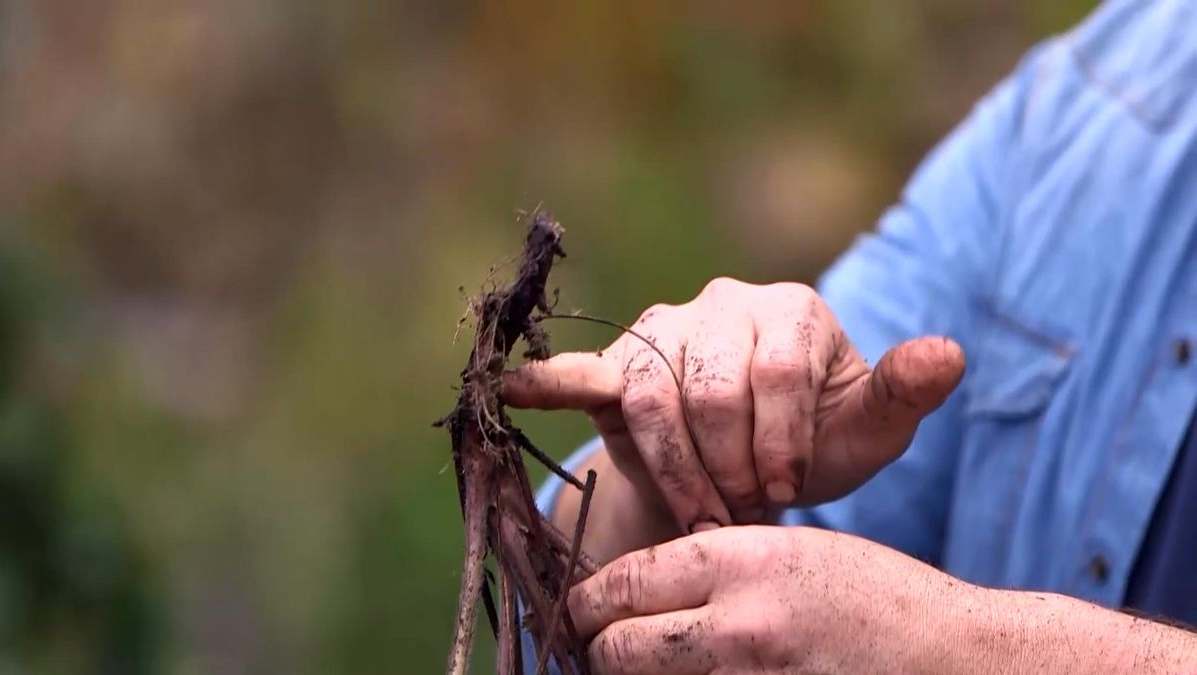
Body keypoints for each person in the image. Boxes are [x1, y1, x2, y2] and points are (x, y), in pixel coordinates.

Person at [505, 1, 1197, 673]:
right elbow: (780, 590)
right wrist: (666, 483)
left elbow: (864, 629)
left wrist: (961, 650)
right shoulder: (1095, 103)